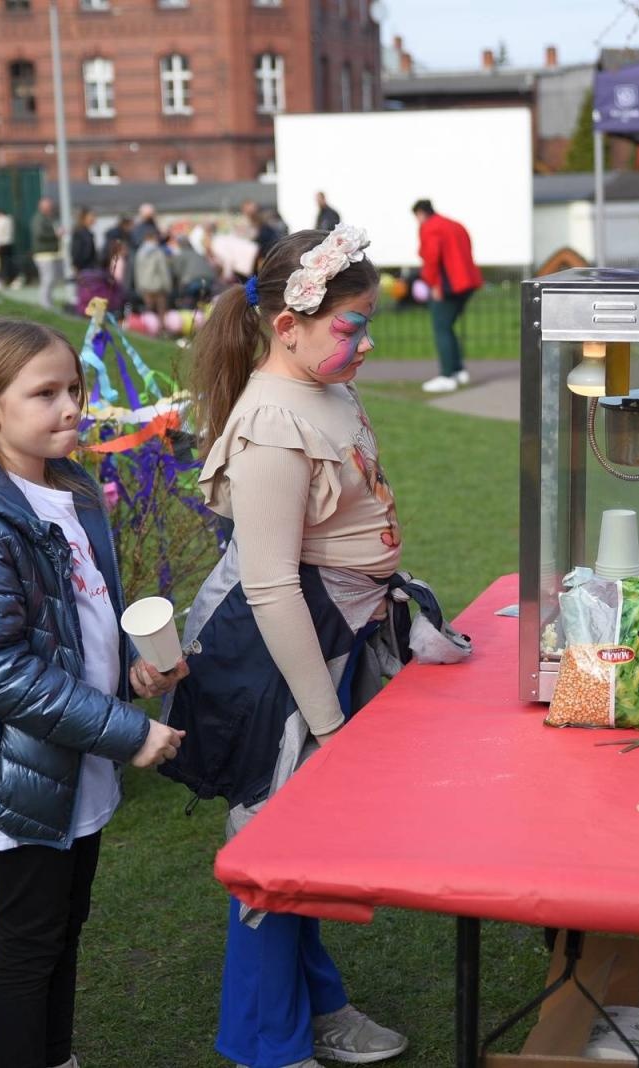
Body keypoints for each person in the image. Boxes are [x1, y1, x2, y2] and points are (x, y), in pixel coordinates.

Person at [0, 316, 186, 1068]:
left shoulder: (72, 487)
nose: (70, 408)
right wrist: (129, 732)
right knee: (30, 939)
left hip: (76, 749)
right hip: (19, 760)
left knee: (68, 923)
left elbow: (84, 607)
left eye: (74, 389)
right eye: (46, 394)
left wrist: (133, 663)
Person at [168, 226, 408, 1068]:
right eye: (351, 325)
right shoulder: (270, 421)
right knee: (274, 852)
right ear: (289, 325)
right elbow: (270, 586)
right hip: (279, 662)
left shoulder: (326, 387)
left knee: (308, 841)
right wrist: (325, 722)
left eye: (367, 321)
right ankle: (265, 1047)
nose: (366, 340)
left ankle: (320, 1005)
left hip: (331, 644)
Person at [412, 198, 483, 393]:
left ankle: (447, 375)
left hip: (448, 285)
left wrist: (433, 283)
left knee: (441, 327)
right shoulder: (455, 224)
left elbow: (431, 256)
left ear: (420, 214)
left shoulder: (430, 227)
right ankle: (459, 371)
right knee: (449, 327)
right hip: (468, 282)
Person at [134, 228, 173, 328]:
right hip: (157, 286)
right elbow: (163, 270)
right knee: (161, 311)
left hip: (144, 285)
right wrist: (168, 286)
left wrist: (139, 286)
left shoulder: (139, 252)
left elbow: (137, 271)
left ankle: (146, 330)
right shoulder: (157, 251)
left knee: (148, 310)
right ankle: (161, 330)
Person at [31, 197, 65, 312]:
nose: (51, 209)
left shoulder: (48, 218)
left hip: (50, 254)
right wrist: (55, 234)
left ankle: (48, 302)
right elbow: (40, 234)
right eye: (49, 207)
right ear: (43, 207)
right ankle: (44, 304)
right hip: (43, 255)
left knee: (52, 279)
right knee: (48, 279)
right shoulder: (38, 219)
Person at [0, 211, 17, 290]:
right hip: (9, 243)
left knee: (2, 263)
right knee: (8, 262)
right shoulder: (9, 220)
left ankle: (3, 280)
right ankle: (10, 279)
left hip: (1, 245)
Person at [69, 206, 98, 275]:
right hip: (84, 269)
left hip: (91, 268)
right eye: (91, 216)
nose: (93, 218)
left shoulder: (88, 233)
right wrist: (76, 266)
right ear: (84, 218)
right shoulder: (79, 233)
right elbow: (75, 252)